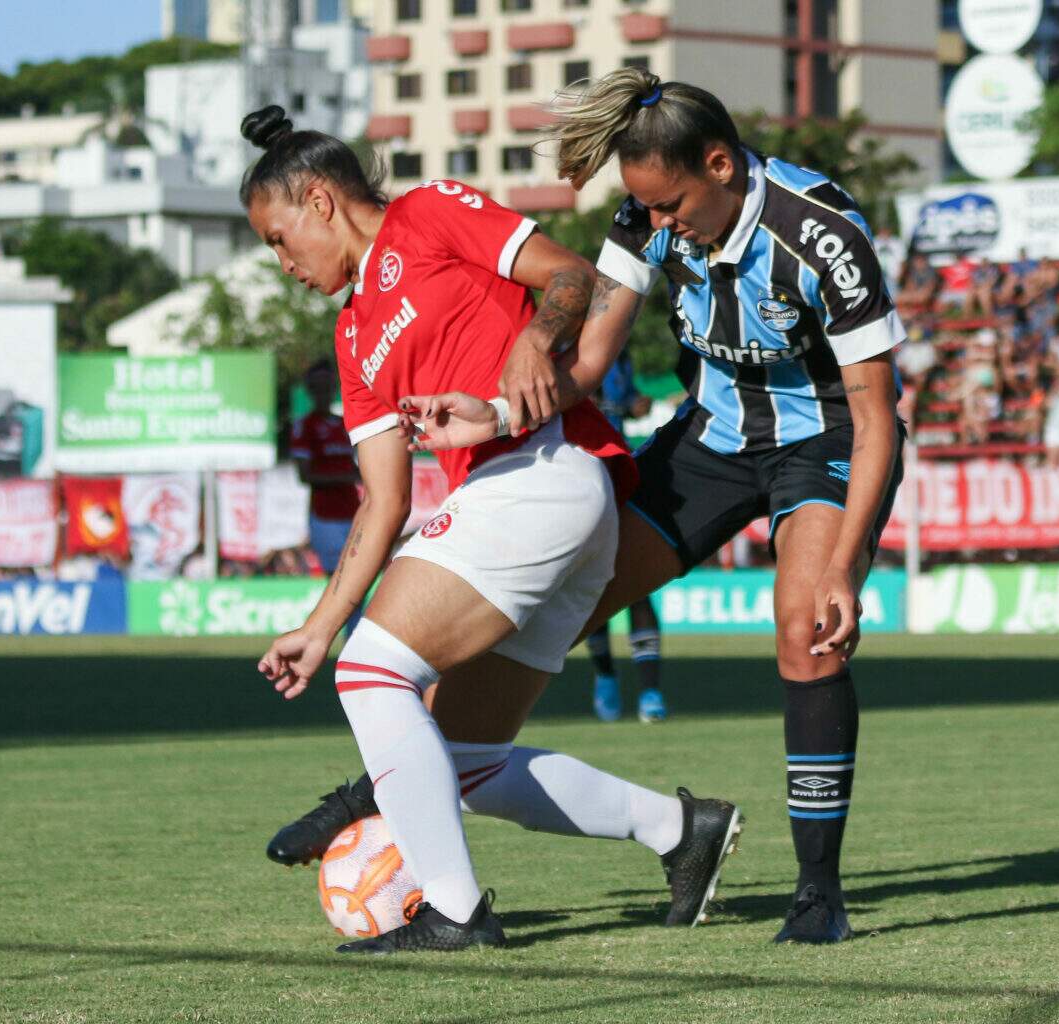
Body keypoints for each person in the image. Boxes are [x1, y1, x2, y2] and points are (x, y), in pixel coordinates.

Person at [271, 69, 904, 944]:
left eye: (673, 204)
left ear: (720, 166)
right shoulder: (642, 218)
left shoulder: (823, 235)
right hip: (710, 439)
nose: (661, 223)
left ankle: (817, 896)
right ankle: (675, 831)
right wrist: (493, 411)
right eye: (647, 208)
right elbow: (592, 351)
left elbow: (876, 414)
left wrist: (841, 566)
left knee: (806, 632)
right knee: (502, 676)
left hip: (824, 438)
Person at [242, 105, 742, 954]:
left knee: (374, 677)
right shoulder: (353, 336)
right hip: (541, 509)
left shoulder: (426, 211)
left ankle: (456, 913)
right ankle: (680, 828)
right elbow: (382, 501)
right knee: (469, 760)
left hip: (545, 472)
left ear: (321, 201)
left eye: (280, 238)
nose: (283, 264)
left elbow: (572, 276)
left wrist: (537, 339)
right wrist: (319, 628)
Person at [584, 350, 667, 723]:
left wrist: (637, 403)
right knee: (592, 584)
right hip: (582, 473)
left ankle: (651, 692)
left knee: (638, 579)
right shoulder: (563, 343)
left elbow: (628, 399)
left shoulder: (619, 349)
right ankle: (605, 677)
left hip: (622, 469)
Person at [289, 358, 363, 630]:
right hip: (325, 516)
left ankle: (353, 638)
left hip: (355, 511)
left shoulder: (345, 424)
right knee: (340, 582)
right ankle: (337, 636)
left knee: (359, 580)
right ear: (310, 390)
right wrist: (346, 477)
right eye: (317, 386)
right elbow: (304, 475)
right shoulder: (304, 426)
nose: (323, 391)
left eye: (328, 385)